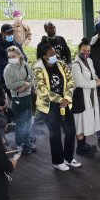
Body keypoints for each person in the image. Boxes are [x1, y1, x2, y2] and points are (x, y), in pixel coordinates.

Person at [34, 43, 78, 171]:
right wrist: (60, 99)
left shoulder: (61, 64)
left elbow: (71, 81)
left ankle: (68, 158)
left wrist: (67, 98)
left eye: (55, 53)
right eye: (51, 54)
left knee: (70, 131)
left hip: (65, 103)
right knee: (55, 134)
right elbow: (41, 90)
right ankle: (58, 161)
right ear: (44, 56)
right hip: (49, 106)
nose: (55, 56)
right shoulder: (37, 68)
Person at [3, 44, 36, 156]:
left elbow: (33, 79)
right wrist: (23, 83)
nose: (11, 58)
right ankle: (20, 144)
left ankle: (27, 142)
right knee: (20, 122)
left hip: (27, 97)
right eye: (9, 57)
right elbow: (9, 85)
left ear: (19, 55)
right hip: (17, 99)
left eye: (13, 56)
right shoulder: (8, 69)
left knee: (28, 121)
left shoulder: (26, 66)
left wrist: (26, 86)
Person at [71, 38, 100, 155]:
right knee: (80, 122)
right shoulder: (76, 65)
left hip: (89, 95)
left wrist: (96, 78)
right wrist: (96, 83)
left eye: (88, 51)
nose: (86, 53)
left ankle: (83, 144)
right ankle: (80, 148)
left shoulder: (89, 61)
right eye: (84, 51)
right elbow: (80, 83)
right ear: (79, 50)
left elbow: (92, 74)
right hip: (80, 97)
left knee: (85, 121)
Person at [0, 22, 26, 92]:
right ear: (2, 33)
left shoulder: (15, 43)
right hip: (5, 78)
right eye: (8, 33)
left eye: (12, 33)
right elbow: (0, 67)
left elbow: (24, 57)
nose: (11, 35)